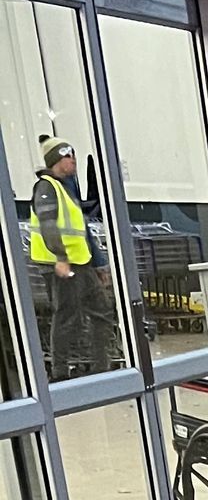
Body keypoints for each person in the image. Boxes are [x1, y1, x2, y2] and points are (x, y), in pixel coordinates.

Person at [29, 138, 118, 378]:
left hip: (81, 262)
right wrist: (60, 258)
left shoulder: (68, 187)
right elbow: (48, 225)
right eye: (68, 156)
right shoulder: (46, 187)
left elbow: (83, 230)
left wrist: (99, 264)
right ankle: (59, 372)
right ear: (56, 160)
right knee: (67, 316)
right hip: (61, 264)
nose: (74, 160)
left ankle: (102, 366)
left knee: (101, 309)